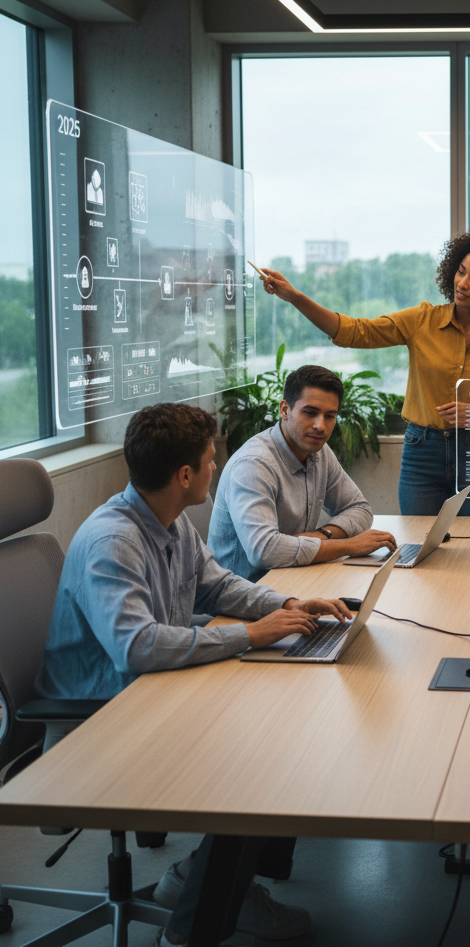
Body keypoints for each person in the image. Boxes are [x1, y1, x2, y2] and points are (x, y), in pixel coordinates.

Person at [36, 402, 354, 946]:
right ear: (185, 475)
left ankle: (201, 874)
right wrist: (252, 635)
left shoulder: (168, 519)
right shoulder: (114, 542)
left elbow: (219, 585)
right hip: (99, 724)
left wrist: (292, 603)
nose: (216, 468)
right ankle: (190, 934)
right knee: (256, 772)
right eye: (211, 460)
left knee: (291, 724)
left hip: (153, 696)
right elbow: (137, 647)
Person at [258, 230, 470, 517]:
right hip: (423, 453)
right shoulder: (422, 320)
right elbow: (356, 332)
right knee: (419, 545)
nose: (462, 283)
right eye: (461, 272)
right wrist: (294, 297)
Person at [209, 364, 396, 581]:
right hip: (246, 594)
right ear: (285, 410)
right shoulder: (253, 464)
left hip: (294, 578)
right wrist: (348, 545)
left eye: (330, 416)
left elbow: (359, 508)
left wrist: (321, 535)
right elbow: (264, 550)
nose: (321, 426)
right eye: (310, 413)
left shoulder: (319, 451)